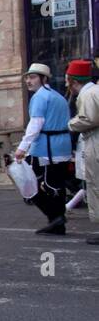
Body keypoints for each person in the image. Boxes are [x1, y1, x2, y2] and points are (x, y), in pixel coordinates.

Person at [14, 62, 74, 235]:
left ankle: (56, 217)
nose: (28, 81)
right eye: (27, 77)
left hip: (47, 149)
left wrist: (22, 148)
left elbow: (35, 124)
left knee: (35, 184)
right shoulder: (57, 96)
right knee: (56, 184)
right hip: (60, 147)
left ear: (43, 79)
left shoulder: (40, 97)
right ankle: (57, 220)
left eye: (32, 77)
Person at [65, 58, 99, 245]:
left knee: (96, 186)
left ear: (74, 81)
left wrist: (70, 124)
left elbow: (88, 119)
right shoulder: (95, 91)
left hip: (95, 142)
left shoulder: (88, 95)